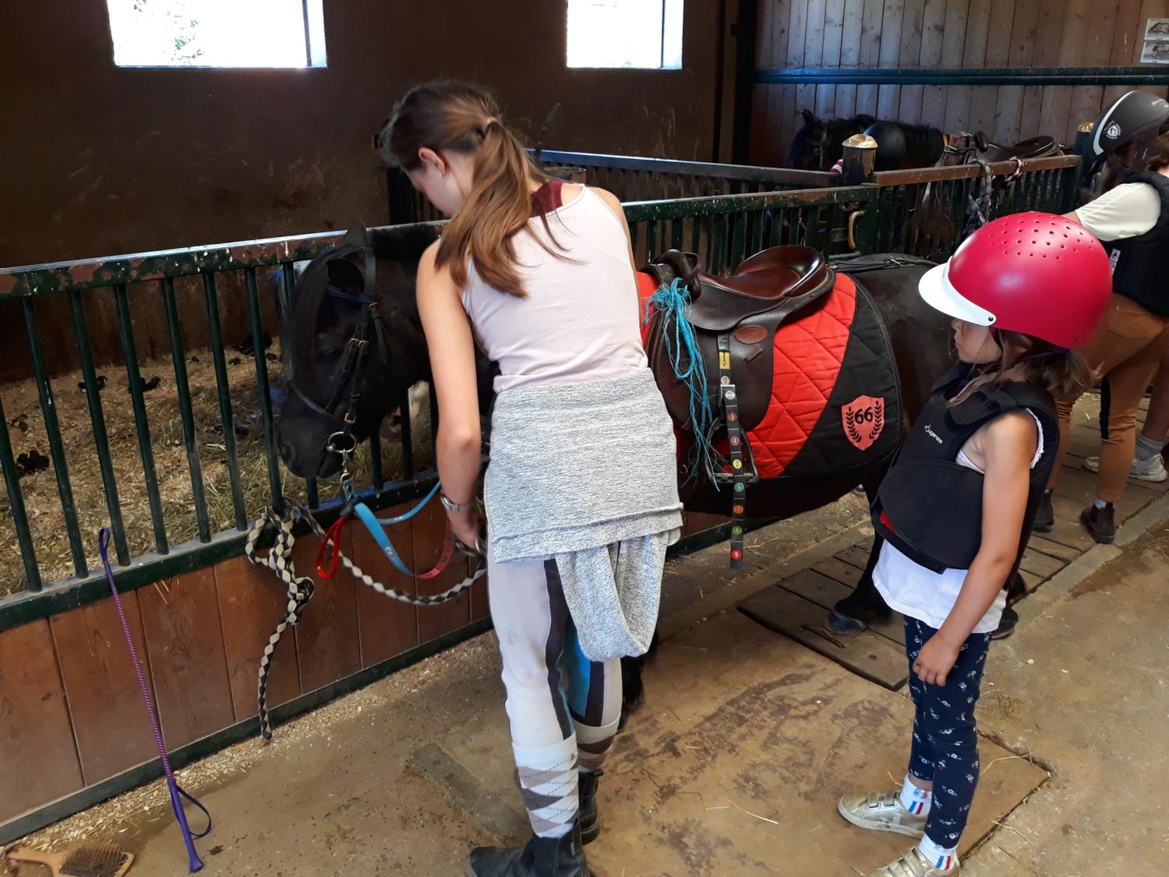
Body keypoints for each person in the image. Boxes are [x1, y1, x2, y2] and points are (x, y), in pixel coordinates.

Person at [379, 82, 682, 877]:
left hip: (546, 467)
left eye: (418, 181)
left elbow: (461, 429)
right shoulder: (603, 207)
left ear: (432, 160)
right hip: (639, 452)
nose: (427, 197)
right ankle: (582, 800)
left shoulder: (446, 260)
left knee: (526, 662)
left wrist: (456, 505)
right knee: (601, 637)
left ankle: (555, 856)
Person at [838, 212, 1111, 876]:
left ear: (1019, 335)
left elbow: (997, 553)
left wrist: (949, 638)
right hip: (926, 593)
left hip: (951, 608)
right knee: (928, 707)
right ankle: (914, 801)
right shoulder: (975, 381)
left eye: (967, 317)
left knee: (950, 728)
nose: (952, 326)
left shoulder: (1011, 427)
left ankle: (938, 852)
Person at [1034, 90, 1169, 541]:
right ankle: (1104, 513)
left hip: (1123, 313)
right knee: (1123, 417)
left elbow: (1060, 229)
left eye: (1119, 152)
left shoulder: (1142, 193)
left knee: (1059, 397)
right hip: (1160, 324)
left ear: (1137, 146)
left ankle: (1042, 500)